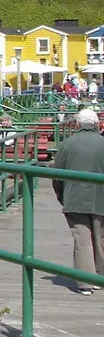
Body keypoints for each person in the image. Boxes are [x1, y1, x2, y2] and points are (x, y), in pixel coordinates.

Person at [53, 107, 104, 294]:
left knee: (82, 240)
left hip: (75, 198)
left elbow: (56, 173)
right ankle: (99, 276)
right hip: (101, 198)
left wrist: (60, 194)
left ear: (77, 124)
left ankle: (85, 283)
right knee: (100, 239)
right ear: (97, 124)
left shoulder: (68, 144)